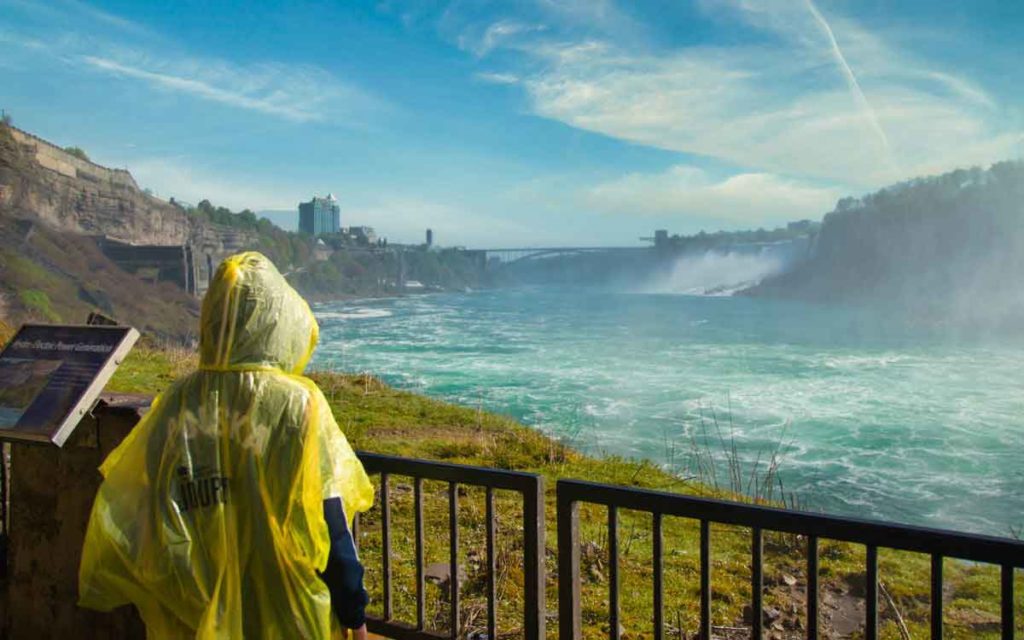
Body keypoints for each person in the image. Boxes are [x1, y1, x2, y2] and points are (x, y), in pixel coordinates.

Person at [79, 251, 374, 639]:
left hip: (194, 613)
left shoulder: (176, 401)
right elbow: (331, 524)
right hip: (287, 614)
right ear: (277, 321)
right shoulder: (297, 405)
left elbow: (147, 513)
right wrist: (354, 613)